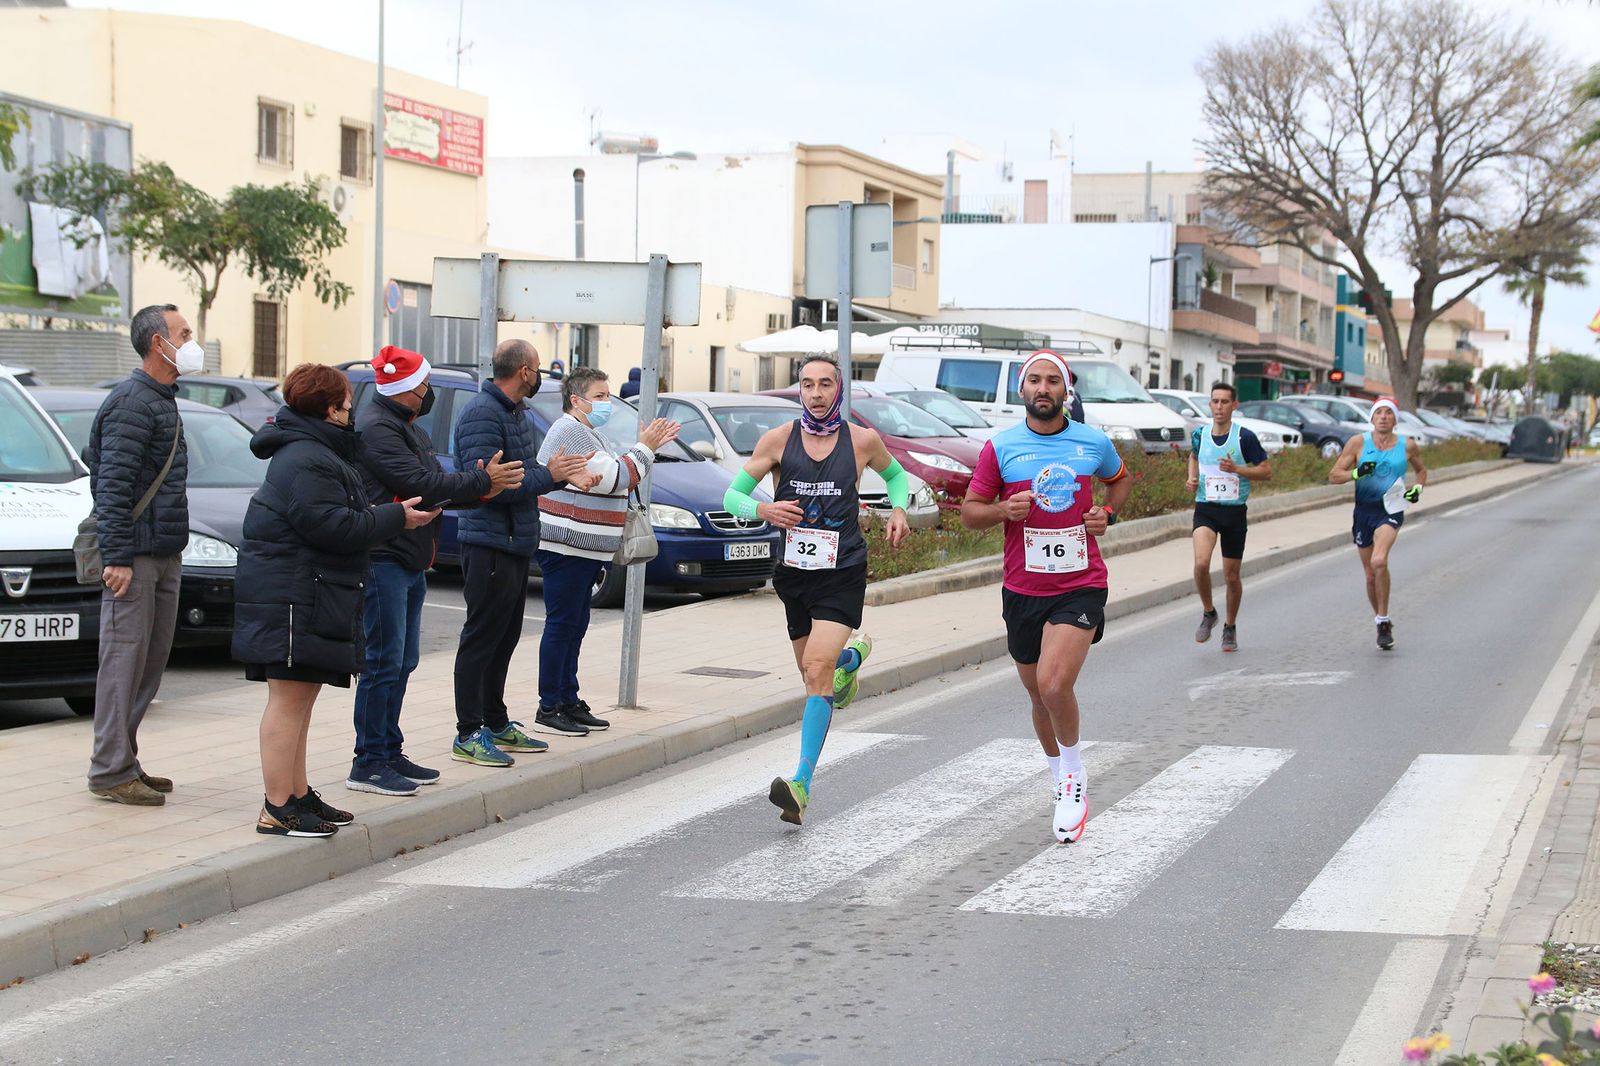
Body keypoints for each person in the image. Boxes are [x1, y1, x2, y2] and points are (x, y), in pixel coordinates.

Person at [233, 364, 438, 837]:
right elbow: (329, 525)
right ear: (331, 408)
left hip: (309, 591)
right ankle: (277, 806)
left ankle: (298, 794)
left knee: (301, 700)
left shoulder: (315, 451)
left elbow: (334, 516)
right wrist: (393, 517)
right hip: (291, 596)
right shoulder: (306, 458)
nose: (353, 409)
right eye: (347, 401)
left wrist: (384, 515)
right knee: (288, 701)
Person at [722, 356, 911, 826]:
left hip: (842, 569)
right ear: (799, 390)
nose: (817, 392)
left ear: (839, 388)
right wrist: (764, 511)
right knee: (815, 675)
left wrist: (899, 509)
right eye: (808, 384)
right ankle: (852, 660)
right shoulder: (778, 441)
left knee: (815, 668)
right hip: (794, 574)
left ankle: (801, 783)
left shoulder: (862, 441)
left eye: (825, 384)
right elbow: (733, 497)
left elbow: (896, 475)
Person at [961, 349, 1130, 844]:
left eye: (1052, 380)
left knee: (1056, 686)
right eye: (1034, 380)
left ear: (1066, 390)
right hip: (1022, 587)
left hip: (1080, 583)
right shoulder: (1001, 447)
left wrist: (1108, 514)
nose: (1042, 388)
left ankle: (1075, 779)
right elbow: (971, 511)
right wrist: (1002, 510)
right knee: (1037, 694)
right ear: (1022, 390)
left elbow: (1118, 482)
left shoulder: (1092, 442)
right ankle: (1057, 773)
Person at [350, 346, 525, 797]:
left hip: (408, 556)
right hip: (384, 556)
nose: (428, 393)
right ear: (406, 389)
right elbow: (423, 484)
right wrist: (484, 482)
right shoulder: (377, 430)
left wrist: (480, 487)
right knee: (382, 663)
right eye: (424, 386)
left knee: (403, 661)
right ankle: (368, 760)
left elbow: (439, 489)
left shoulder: (407, 428)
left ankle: (388, 749)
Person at [451, 340, 596, 767]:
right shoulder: (483, 413)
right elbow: (490, 485)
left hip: (514, 541)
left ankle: (495, 722)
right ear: (525, 371)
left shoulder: (514, 412)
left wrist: (557, 476)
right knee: (481, 639)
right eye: (537, 370)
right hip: (488, 542)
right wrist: (549, 475)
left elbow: (525, 475)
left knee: (505, 637)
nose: (539, 378)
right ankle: (468, 732)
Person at [83, 304, 196, 806]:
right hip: (136, 557)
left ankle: (124, 758)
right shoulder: (132, 402)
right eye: (184, 332)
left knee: (147, 662)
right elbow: (112, 487)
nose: (193, 340)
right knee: (123, 662)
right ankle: (109, 770)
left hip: (162, 551)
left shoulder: (160, 398)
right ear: (158, 342)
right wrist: (118, 557)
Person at [534, 367, 679, 736]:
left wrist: (641, 453)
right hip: (566, 544)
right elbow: (618, 477)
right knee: (562, 625)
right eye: (599, 397)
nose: (605, 403)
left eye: (606, 396)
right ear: (576, 400)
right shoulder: (569, 431)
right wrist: (646, 446)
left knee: (575, 625)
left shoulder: (588, 431)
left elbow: (618, 476)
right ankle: (549, 706)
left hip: (584, 547)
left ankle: (568, 699)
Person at [1328, 397, 1427, 651]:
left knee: (1379, 561)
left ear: (1395, 420)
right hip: (1364, 512)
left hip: (1391, 509)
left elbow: (1421, 472)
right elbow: (1333, 476)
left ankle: (1383, 620)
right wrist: (1356, 473)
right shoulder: (1358, 443)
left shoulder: (1408, 445)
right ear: (1372, 418)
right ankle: (1381, 620)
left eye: (1388, 413)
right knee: (1371, 575)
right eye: (1379, 413)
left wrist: (1417, 488)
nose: (1383, 417)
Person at [1185, 381, 1271, 652]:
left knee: (1231, 576)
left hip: (1234, 512)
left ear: (1234, 405)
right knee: (1200, 565)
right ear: (1210, 404)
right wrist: (1191, 477)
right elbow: (1193, 456)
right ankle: (1209, 612)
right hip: (1206, 509)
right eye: (1215, 401)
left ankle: (1230, 626)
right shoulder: (1200, 434)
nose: (1219, 407)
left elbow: (1266, 472)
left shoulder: (1244, 437)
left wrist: (1237, 469)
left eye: (1224, 402)